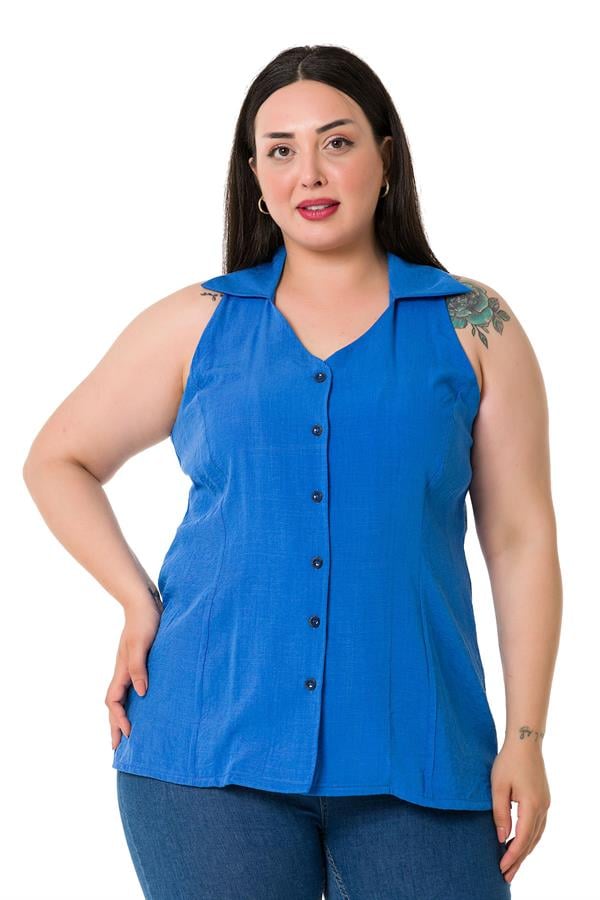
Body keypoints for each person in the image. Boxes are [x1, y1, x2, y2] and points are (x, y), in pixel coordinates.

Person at [23, 44, 561, 900]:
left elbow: (521, 536)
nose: (309, 171)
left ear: (386, 157)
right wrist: (136, 600)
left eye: (337, 142)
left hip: (420, 752)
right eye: (280, 149)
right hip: (204, 756)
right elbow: (57, 459)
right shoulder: (197, 323)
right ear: (255, 176)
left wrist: (526, 737)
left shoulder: (474, 324)